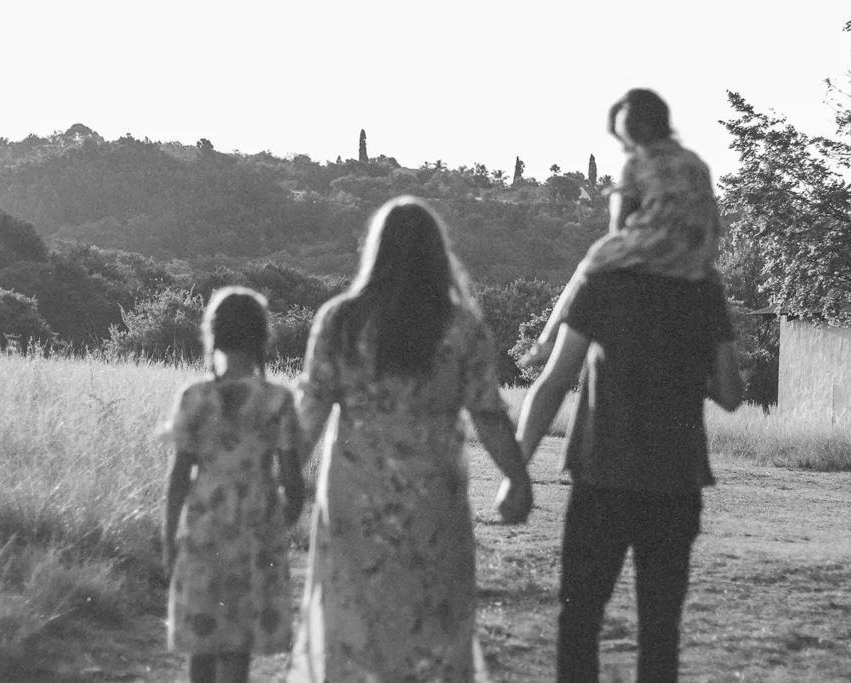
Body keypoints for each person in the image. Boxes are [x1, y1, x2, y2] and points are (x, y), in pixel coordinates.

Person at [286, 196, 533, 683]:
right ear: (437, 255)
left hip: (354, 498)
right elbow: (488, 414)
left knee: (354, 618)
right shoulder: (461, 327)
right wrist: (518, 479)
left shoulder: (339, 321)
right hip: (432, 498)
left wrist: (286, 479)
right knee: (432, 620)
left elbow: (310, 412)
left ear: (375, 251)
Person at [516, 267, 743, 682]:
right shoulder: (702, 287)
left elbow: (554, 381)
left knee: (580, 618)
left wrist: (515, 472)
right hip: (675, 480)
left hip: (601, 475)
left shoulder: (604, 278)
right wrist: (686, 370)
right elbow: (729, 394)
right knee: (660, 629)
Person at [160, 286, 305, 683]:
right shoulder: (278, 400)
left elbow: (178, 479)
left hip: (203, 527)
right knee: (237, 643)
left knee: (202, 637)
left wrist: (169, 538)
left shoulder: (193, 397)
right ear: (262, 337)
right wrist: (279, 525)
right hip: (256, 531)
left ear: (213, 335)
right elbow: (293, 483)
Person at [521, 88, 722, 367]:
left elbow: (618, 223)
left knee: (591, 261)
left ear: (639, 130)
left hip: (653, 247)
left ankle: (546, 340)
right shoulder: (697, 164)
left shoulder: (638, 163)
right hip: (698, 254)